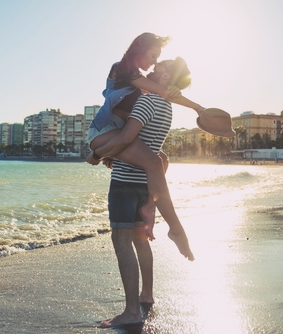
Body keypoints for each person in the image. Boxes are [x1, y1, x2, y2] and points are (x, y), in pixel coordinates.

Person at [99, 57, 193, 328]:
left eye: (157, 71)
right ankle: (146, 295)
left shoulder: (147, 101)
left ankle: (131, 312)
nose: (151, 72)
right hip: (144, 183)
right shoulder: (167, 107)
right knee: (141, 239)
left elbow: (128, 137)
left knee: (121, 240)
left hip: (125, 180)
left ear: (166, 79)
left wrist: (98, 153)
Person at [87, 32, 203, 249]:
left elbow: (162, 93)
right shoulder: (122, 69)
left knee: (162, 159)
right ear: (140, 49)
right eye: (152, 55)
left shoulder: (142, 81)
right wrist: (196, 107)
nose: (154, 62)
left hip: (120, 133)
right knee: (154, 162)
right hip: (105, 130)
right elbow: (162, 91)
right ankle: (175, 228)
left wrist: (189, 102)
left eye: (158, 58)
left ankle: (150, 208)